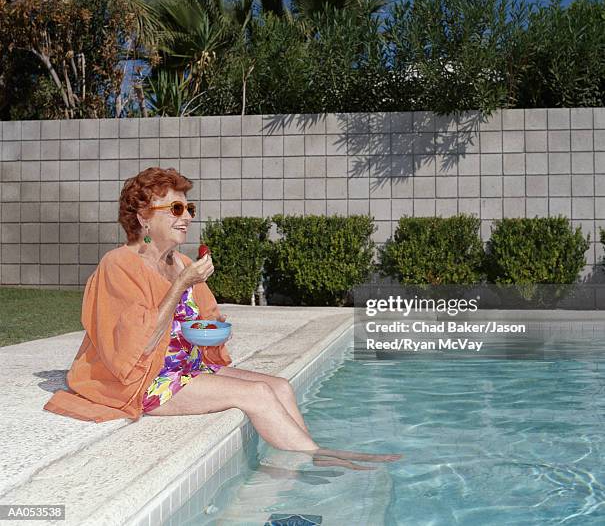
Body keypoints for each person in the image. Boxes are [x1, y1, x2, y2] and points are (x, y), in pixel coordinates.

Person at [44, 167, 401, 470]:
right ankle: (316, 459)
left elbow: (202, 321)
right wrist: (182, 285)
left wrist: (209, 323)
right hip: (145, 380)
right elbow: (138, 343)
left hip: (185, 368)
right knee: (259, 394)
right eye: (176, 208)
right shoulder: (119, 264)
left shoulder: (181, 263)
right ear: (143, 216)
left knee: (280, 386)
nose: (186, 217)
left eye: (189, 208)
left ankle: (296, 457)